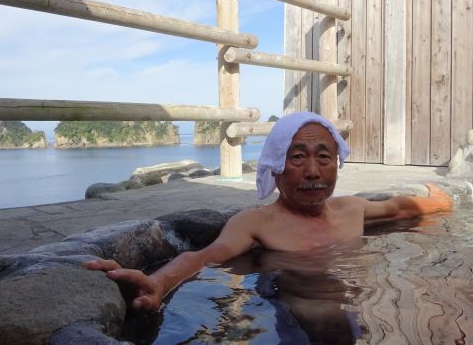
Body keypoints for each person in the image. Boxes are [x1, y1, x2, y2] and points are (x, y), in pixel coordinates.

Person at [85, 111, 453, 312]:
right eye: (297, 157)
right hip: (297, 308)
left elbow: (400, 209)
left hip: (363, 301)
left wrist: (440, 202)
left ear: (336, 164)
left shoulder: (351, 209)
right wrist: (160, 282)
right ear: (275, 166)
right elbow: (203, 257)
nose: (313, 171)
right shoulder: (256, 223)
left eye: (324, 158)